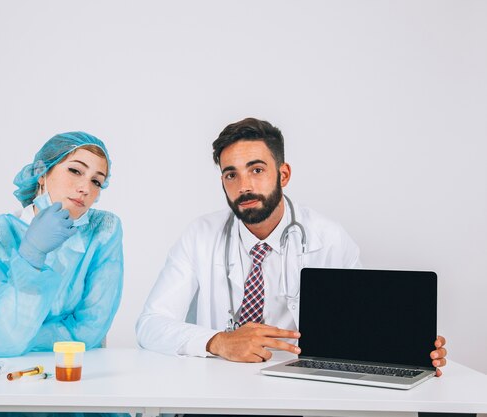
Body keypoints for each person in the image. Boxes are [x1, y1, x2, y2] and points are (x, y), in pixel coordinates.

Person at [136, 117, 447, 376]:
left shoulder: (329, 239)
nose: (244, 186)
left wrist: (410, 349)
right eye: (231, 175)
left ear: (283, 174)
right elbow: (150, 326)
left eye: (256, 170)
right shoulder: (199, 235)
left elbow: (361, 331)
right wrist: (219, 341)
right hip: (215, 387)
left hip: (297, 393)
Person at [0, 131, 124, 358]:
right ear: (41, 173)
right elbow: (2, 344)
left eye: (96, 181)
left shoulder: (104, 229)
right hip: (8, 378)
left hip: (81, 371)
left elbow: (89, 330)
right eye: (75, 170)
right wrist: (32, 256)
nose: (85, 188)